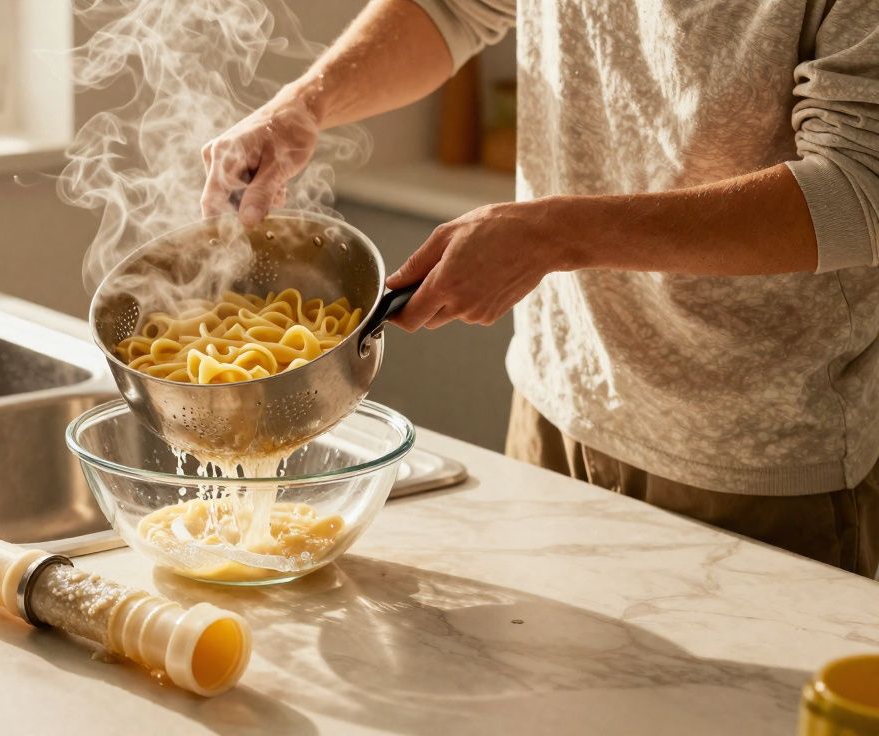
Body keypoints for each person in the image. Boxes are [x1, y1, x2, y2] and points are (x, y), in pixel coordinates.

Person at [201, 0, 879, 577]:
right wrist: (307, 102)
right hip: (554, 407)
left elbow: (861, 185)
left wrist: (557, 235)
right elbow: (452, 7)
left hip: (755, 451)